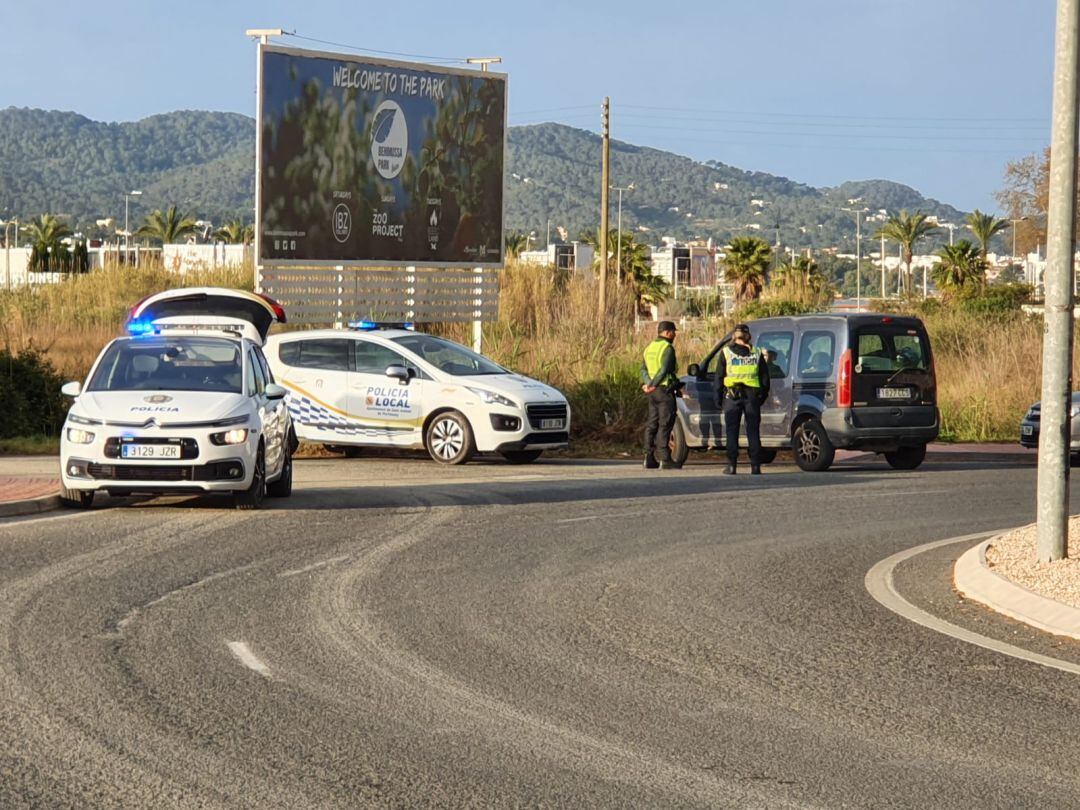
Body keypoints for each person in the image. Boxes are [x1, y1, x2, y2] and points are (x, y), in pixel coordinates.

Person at [713, 323, 770, 475]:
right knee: (753, 431)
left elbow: (718, 378)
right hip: (752, 396)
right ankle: (755, 466)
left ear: (733, 336)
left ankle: (732, 466)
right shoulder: (757, 353)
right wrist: (761, 397)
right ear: (748, 336)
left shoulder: (725, 353)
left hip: (732, 397)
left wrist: (718, 398)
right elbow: (765, 379)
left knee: (732, 431)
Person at [640, 321, 681, 469]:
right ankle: (665, 459)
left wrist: (648, 384)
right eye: (673, 332)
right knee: (665, 424)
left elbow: (643, 369)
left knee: (652, 424)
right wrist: (653, 384)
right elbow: (664, 370)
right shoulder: (667, 348)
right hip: (664, 390)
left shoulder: (649, 348)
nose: (675, 335)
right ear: (667, 332)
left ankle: (648, 457)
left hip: (652, 393)